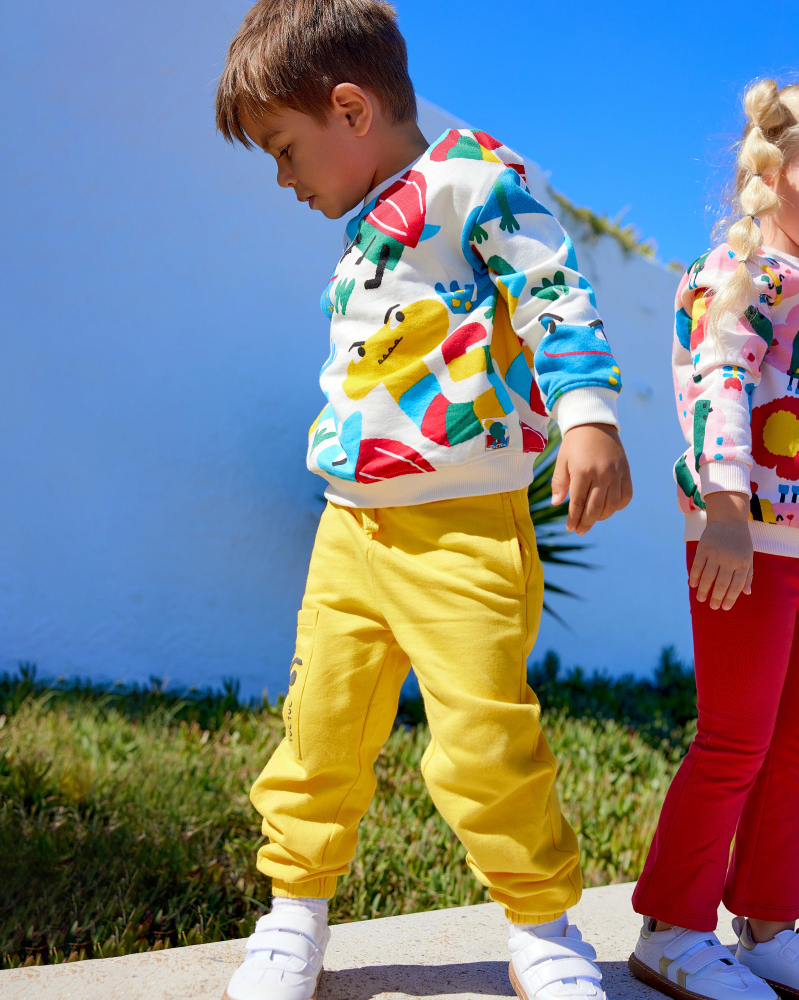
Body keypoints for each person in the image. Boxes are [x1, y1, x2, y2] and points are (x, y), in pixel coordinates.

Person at [214, 3, 632, 998]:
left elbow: (555, 294)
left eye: (284, 149)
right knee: (318, 726)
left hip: (463, 532)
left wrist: (587, 418)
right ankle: (293, 911)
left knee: (484, 737)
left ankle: (540, 922)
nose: (283, 179)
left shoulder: (477, 181)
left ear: (349, 109)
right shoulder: (365, 226)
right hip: (347, 528)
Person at [629, 78, 799, 1000]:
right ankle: (672, 928)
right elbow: (716, 385)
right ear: (775, 171)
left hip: (798, 547)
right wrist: (726, 509)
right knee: (736, 736)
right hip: (741, 541)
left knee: (796, 742)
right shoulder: (737, 276)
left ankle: (770, 921)